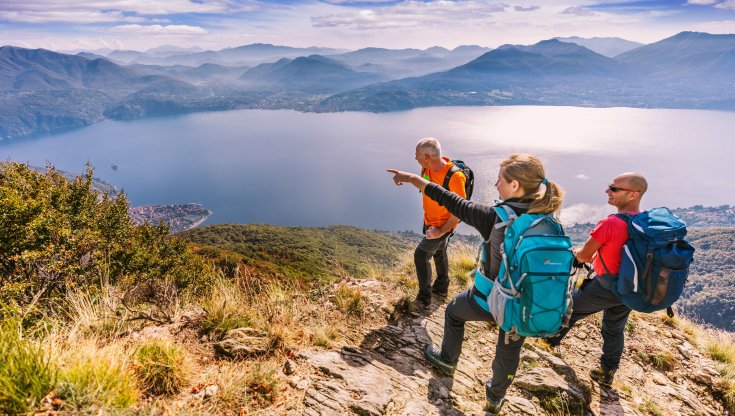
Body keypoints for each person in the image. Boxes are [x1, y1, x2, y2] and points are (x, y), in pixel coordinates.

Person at [388, 154, 563, 414]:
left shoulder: (497, 218)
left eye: (500, 179)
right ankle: (495, 399)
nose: (495, 184)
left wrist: (415, 180)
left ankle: (447, 360)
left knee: (454, 312)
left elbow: (452, 201)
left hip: (490, 299)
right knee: (510, 347)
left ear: (514, 186)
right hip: (528, 303)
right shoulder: (549, 219)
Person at [546, 172, 648, 387]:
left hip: (606, 286)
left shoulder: (611, 223)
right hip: (631, 287)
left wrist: (577, 254)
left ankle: (547, 345)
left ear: (633, 194)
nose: (607, 191)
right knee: (614, 328)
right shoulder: (645, 222)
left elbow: (583, 255)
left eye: (614, 188)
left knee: (567, 309)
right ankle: (606, 372)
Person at [410, 138, 467, 307]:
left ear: (427, 156)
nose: (415, 158)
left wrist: (441, 231)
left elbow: (459, 211)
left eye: (417, 155)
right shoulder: (426, 167)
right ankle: (442, 287)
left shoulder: (455, 177)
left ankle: (423, 299)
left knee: (421, 256)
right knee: (439, 252)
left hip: (443, 225)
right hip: (430, 221)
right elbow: (425, 185)